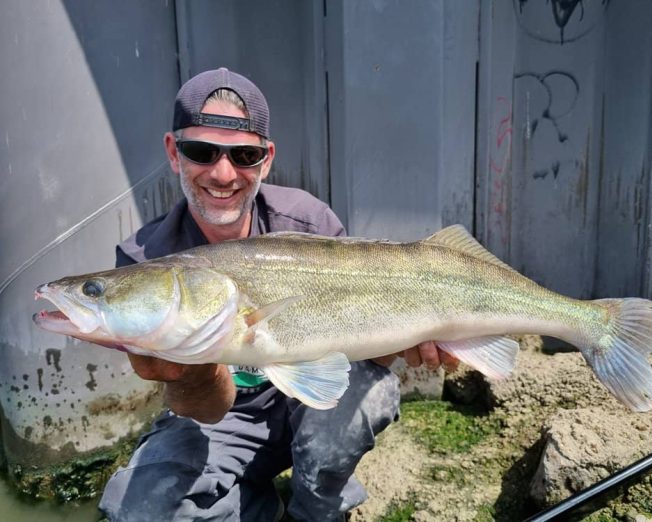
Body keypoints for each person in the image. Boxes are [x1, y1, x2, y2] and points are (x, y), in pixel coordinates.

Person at [98, 68, 458, 522]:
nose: (223, 172)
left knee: (367, 393)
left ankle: (314, 510)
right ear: (174, 153)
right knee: (138, 510)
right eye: (201, 151)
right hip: (219, 420)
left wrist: (406, 340)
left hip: (309, 402)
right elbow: (204, 408)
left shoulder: (309, 224)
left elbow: (357, 357)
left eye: (244, 154)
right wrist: (185, 374)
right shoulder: (144, 258)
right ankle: (253, 506)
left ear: (266, 160)